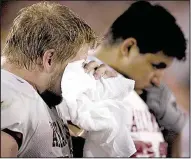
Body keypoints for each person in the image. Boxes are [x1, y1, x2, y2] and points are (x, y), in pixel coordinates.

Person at [83, 1, 187, 157]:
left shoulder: (149, 94)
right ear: (128, 47)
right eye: (155, 65)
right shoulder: (77, 77)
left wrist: (173, 133)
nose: (157, 81)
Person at [1, 2, 98, 157]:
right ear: (50, 59)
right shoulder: (13, 102)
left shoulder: (41, 93)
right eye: (78, 65)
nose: (82, 74)